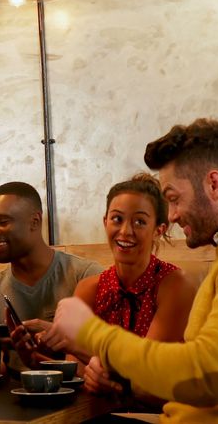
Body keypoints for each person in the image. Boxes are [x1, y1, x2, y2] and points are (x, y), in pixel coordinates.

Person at [43, 118, 218, 422]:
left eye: (174, 199)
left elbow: (208, 377)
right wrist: (115, 375)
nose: (173, 215)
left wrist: (90, 332)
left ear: (214, 184)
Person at [12, 173, 195, 405]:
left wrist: (81, 347)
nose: (125, 231)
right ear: (105, 221)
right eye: (117, 219)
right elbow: (79, 372)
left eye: (139, 222)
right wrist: (38, 359)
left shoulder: (175, 285)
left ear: (159, 229)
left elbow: (151, 374)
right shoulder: (90, 288)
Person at [0, 181, 102, 369]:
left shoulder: (86, 276)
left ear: (34, 222)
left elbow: (112, 357)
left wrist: (60, 340)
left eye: (3, 222)